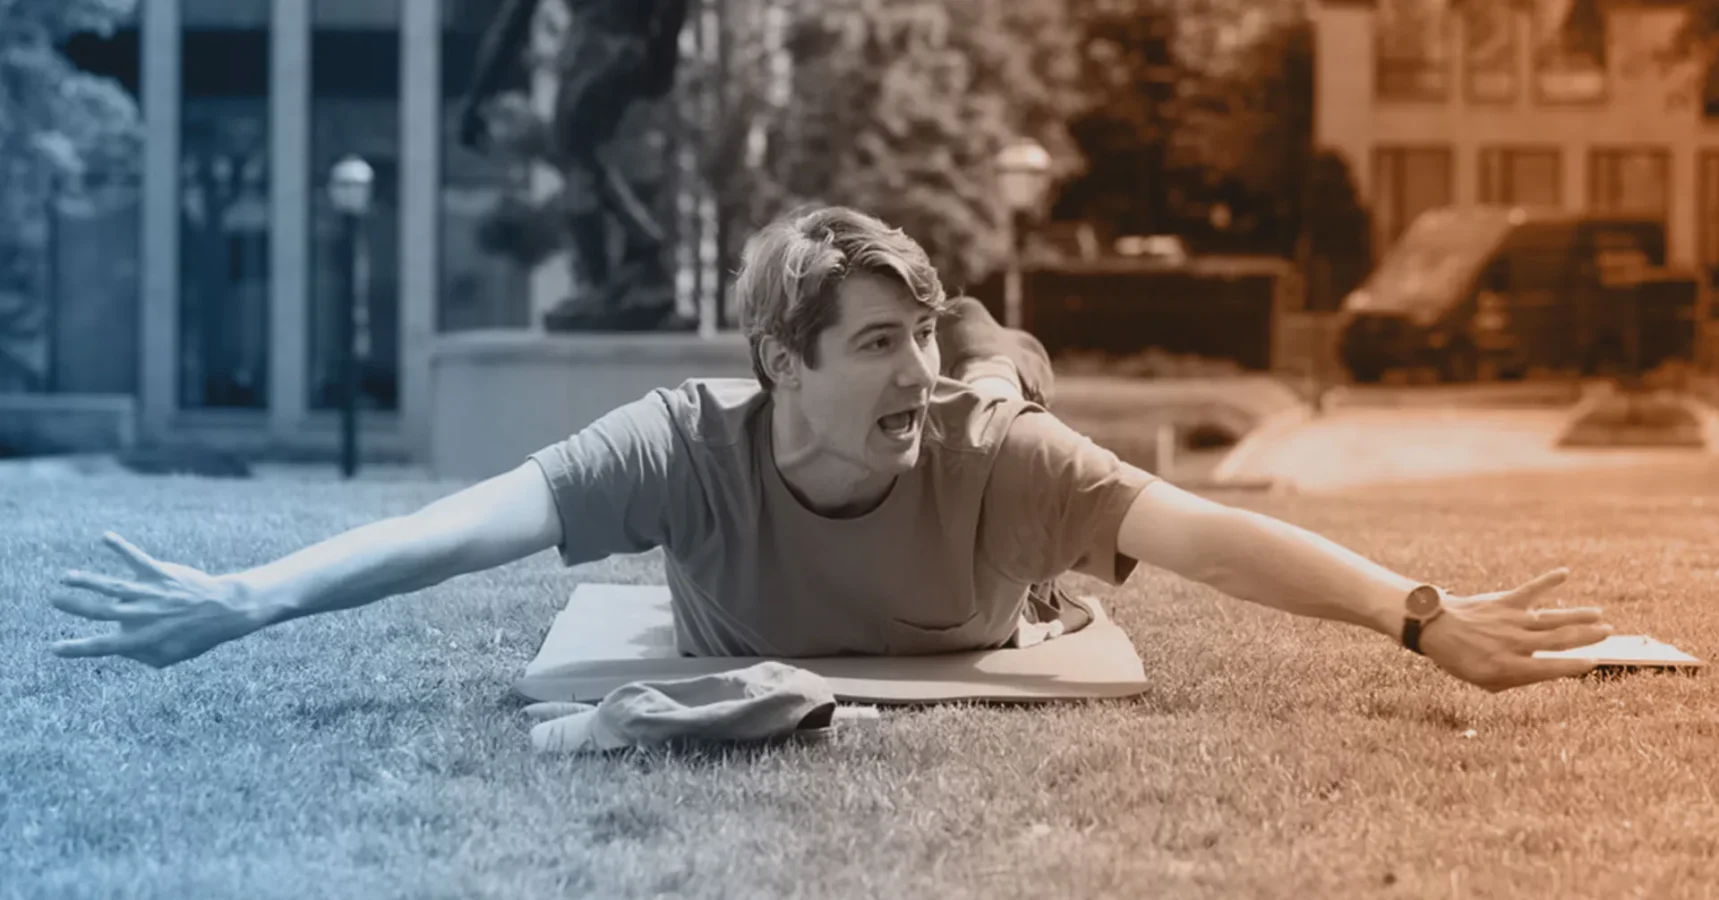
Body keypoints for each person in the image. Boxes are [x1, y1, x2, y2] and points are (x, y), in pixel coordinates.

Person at [49, 206, 1612, 692]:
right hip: (859, 483)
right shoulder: (684, 443)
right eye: (876, 343)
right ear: (773, 364)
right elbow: (476, 520)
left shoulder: (987, 442)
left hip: (1015, 458)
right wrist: (254, 596)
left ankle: (992, 315)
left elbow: (1201, 531)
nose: (909, 372)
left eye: (912, 334)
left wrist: (1421, 617)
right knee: (993, 388)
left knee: (1007, 386)